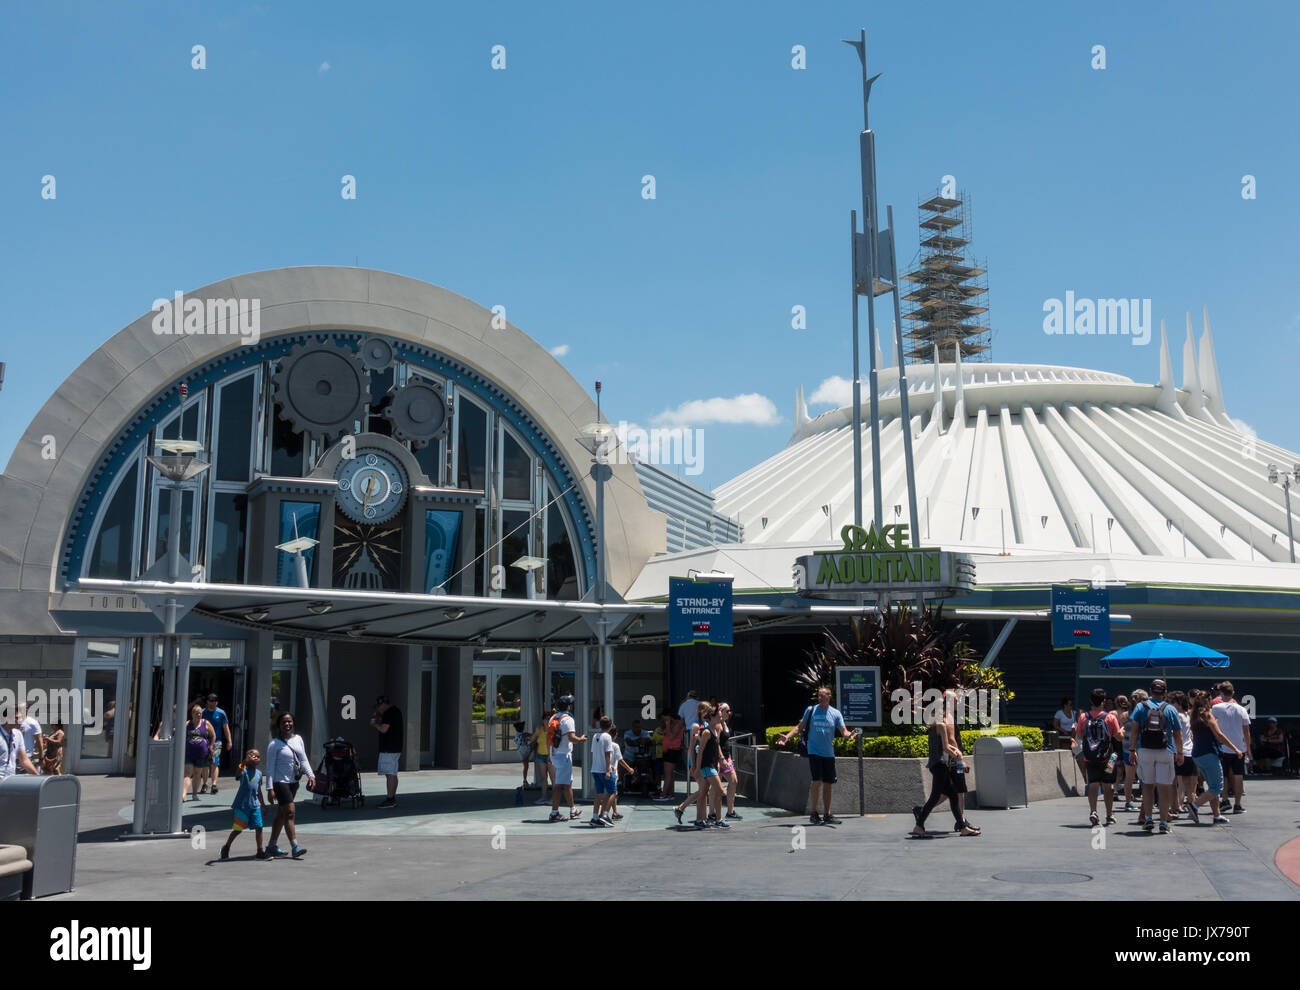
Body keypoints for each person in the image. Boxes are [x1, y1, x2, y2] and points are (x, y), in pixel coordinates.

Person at [775, 686, 860, 826]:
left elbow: (844, 731)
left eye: (822, 695)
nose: (820, 698)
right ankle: (814, 813)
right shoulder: (811, 710)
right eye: (819, 696)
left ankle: (827, 814)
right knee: (817, 781)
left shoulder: (836, 713)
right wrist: (787, 737)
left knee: (828, 783)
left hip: (829, 753)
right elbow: (799, 727)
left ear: (829, 696)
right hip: (814, 751)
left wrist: (850, 735)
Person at [912, 685, 976, 836]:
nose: (956, 703)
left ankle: (962, 826)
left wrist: (956, 754)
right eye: (954, 700)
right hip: (942, 764)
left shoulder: (937, 722)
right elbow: (947, 746)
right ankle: (919, 824)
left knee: (953, 794)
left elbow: (947, 745)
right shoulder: (941, 723)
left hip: (942, 764)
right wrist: (959, 757)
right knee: (940, 796)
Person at [1128, 679, 1183, 834]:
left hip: (1145, 750)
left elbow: (1134, 731)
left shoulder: (1140, 706)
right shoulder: (1170, 709)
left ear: (1150, 691)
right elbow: (1178, 734)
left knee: (1147, 785)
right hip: (1166, 750)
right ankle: (1164, 822)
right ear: (1165, 692)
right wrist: (1180, 753)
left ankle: (1148, 819)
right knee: (1164, 787)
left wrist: (1132, 750)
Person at [1185, 690, 1240, 825]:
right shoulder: (1208, 715)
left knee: (1211, 786)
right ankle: (1194, 805)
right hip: (1209, 754)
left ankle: (1217, 815)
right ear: (1208, 701)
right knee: (1217, 788)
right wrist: (1235, 749)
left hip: (1197, 755)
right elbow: (1219, 735)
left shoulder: (1194, 715)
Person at [265, 711, 314, 858]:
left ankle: (272, 846)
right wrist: (269, 788)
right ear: (279, 725)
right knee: (290, 812)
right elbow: (269, 767)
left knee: (281, 814)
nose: (287, 724)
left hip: (293, 782)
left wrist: (311, 775)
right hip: (280, 782)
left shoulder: (298, 739)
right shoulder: (274, 744)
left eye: (289, 721)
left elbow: (303, 759)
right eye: (284, 722)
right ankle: (295, 846)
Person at [1076, 687, 1122, 826]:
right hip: (1109, 758)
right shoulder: (1110, 717)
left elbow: (1079, 735)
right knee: (1108, 786)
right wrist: (1123, 730)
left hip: (1090, 757)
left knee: (1093, 784)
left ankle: (1094, 811)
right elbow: (1119, 737)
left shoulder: (1084, 717)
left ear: (1091, 701)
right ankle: (1109, 814)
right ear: (1103, 701)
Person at [220, 749, 271, 860]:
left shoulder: (259, 773)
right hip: (242, 806)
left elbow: (259, 791)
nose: (256, 758)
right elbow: (237, 774)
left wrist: (263, 804)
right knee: (238, 829)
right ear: (247, 758)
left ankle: (260, 851)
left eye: (258, 756)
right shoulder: (243, 770)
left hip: (255, 806)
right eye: (253, 756)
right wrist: (243, 763)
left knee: (259, 827)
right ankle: (226, 846)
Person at [1211, 682, 1251, 813]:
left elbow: (1212, 727)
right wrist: (1248, 748)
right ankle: (1237, 805)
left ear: (1221, 693)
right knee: (1238, 775)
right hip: (1239, 748)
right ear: (1233, 693)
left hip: (1222, 747)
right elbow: (1246, 731)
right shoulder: (1242, 709)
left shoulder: (1216, 709)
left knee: (1223, 775)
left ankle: (1225, 800)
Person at [548, 695, 586, 821]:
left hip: (554, 753)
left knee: (565, 783)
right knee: (562, 785)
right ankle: (557, 812)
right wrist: (581, 739)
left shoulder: (553, 717)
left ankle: (571, 809)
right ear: (568, 707)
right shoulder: (568, 719)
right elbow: (571, 738)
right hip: (564, 755)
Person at [692, 704, 729, 829]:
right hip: (706, 766)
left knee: (703, 792)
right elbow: (700, 751)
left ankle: (700, 819)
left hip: (712, 765)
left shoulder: (715, 730)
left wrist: (719, 760)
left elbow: (715, 749)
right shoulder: (707, 732)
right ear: (711, 718)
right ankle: (718, 819)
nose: (720, 718)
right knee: (719, 790)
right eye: (718, 717)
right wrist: (697, 768)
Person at [370, 696, 403, 809]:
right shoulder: (394, 711)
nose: (378, 709)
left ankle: (390, 799)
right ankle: (391, 797)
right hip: (394, 748)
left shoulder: (390, 713)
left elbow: (384, 729)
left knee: (390, 774)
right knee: (392, 773)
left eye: (379, 707)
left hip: (389, 749)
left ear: (383, 704)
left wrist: (375, 724)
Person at [1169, 692, 1198, 811]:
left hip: (1178, 752)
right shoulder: (1187, 715)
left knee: (1173, 782)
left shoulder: (1178, 716)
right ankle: (1191, 806)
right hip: (1189, 751)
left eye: (1173, 702)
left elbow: (1176, 733)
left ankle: (1175, 806)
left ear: (1179, 704)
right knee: (1187, 784)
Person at [184, 703, 216, 801]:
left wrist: (211, 745)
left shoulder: (205, 723)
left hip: (202, 754)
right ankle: (183, 794)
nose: (199, 715)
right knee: (188, 773)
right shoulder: (187, 724)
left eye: (200, 713)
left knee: (197, 774)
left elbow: (213, 735)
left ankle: (194, 794)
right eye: (197, 713)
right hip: (189, 752)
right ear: (192, 714)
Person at [589, 715, 616, 827]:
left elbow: (594, 753)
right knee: (613, 792)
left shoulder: (595, 736)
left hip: (595, 769)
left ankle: (595, 817)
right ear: (610, 726)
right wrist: (608, 770)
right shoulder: (608, 737)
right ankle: (605, 815)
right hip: (603, 770)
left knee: (598, 794)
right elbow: (607, 754)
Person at [203, 694, 232, 795]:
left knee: (215, 762)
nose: (212, 702)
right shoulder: (202, 712)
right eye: (210, 700)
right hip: (204, 741)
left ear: (217, 702)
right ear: (207, 702)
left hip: (217, 741)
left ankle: (214, 784)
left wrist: (229, 741)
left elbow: (226, 727)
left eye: (214, 701)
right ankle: (205, 784)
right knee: (205, 764)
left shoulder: (221, 713)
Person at [717, 702, 742, 820]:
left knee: (733, 781)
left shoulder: (725, 724)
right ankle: (712, 813)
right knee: (714, 788)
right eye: (727, 711)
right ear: (720, 712)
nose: (729, 713)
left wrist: (729, 758)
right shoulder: (717, 725)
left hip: (727, 758)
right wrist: (720, 758)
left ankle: (730, 811)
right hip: (718, 759)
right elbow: (716, 744)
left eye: (729, 711)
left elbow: (726, 743)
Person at [0, 711, 39, 779]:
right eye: (17, 718)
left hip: (10, 780)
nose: (20, 721)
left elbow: (24, 760)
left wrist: (38, 776)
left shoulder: (18, 734)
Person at [1113, 695, 1135, 809]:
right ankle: (1118, 791)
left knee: (1116, 768)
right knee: (1122, 769)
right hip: (1123, 742)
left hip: (1117, 742)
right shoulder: (1125, 714)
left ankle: (1115, 789)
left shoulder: (1115, 714)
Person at [657, 715, 683, 800]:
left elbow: (671, 736)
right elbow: (664, 732)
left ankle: (664, 794)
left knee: (667, 774)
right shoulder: (673, 724)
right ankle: (669, 793)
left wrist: (668, 724)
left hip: (672, 750)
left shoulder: (678, 724)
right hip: (669, 750)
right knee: (670, 774)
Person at [532, 710, 554, 804]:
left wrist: (550, 756)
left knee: (553, 778)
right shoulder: (539, 729)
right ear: (542, 720)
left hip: (551, 756)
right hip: (540, 755)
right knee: (543, 778)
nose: (547, 720)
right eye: (546, 718)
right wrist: (536, 733)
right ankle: (544, 797)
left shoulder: (553, 729)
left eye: (549, 719)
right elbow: (532, 740)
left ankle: (554, 798)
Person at [16, 703, 44, 774]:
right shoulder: (12, 722)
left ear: (27, 709)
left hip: (26, 757)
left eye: (22, 708)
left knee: (23, 781)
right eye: (18, 708)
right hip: (12, 757)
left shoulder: (33, 723)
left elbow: (39, 741)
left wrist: (41, 757)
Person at [514, 720, 533, 788]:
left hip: (520, 751)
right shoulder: (524, 734)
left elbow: (522, 741)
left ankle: (525, 780)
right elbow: (530, 736)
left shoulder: (516, 735)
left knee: (526, 766)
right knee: (534, 743)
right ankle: (525, 781)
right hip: (525, 749)